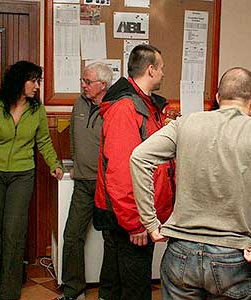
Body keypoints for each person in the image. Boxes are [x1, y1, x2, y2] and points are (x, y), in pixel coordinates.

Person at [130, 67, 251, 300]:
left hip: (180, 254)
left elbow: (139, 158)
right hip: (233, 257)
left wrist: (150, 222)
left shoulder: (184, 124)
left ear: (218, 98)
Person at [0, 61, 63, 300]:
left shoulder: (37, 111)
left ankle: (9, 293)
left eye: (38, 81)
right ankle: (4, 278)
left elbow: (43, 141)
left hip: (22, 174)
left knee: (14, 231)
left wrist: (54, 164)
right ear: (19, 81)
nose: (37, 86)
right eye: (33, 80)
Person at [94, 44, 175, 300]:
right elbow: (120, 171)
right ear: (150, 70)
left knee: (120, 286)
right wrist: (136, 224)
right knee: (134, 290)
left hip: (140, 214)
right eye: (161, 68)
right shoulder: (126, 108)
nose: (163, 73)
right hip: (132, 219)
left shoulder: (145, 106)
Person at [59, 62, 112, 300]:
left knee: (112, 241)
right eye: (83, 80)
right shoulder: (79, 103)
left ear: (103, 85)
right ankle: (73, 291)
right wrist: (76, 166)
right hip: (82, 184)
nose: (83, 85)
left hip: (107, 186)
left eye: (88, 82)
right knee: (71, 236)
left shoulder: (114, 107)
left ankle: (107, 293)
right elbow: (73, 137)